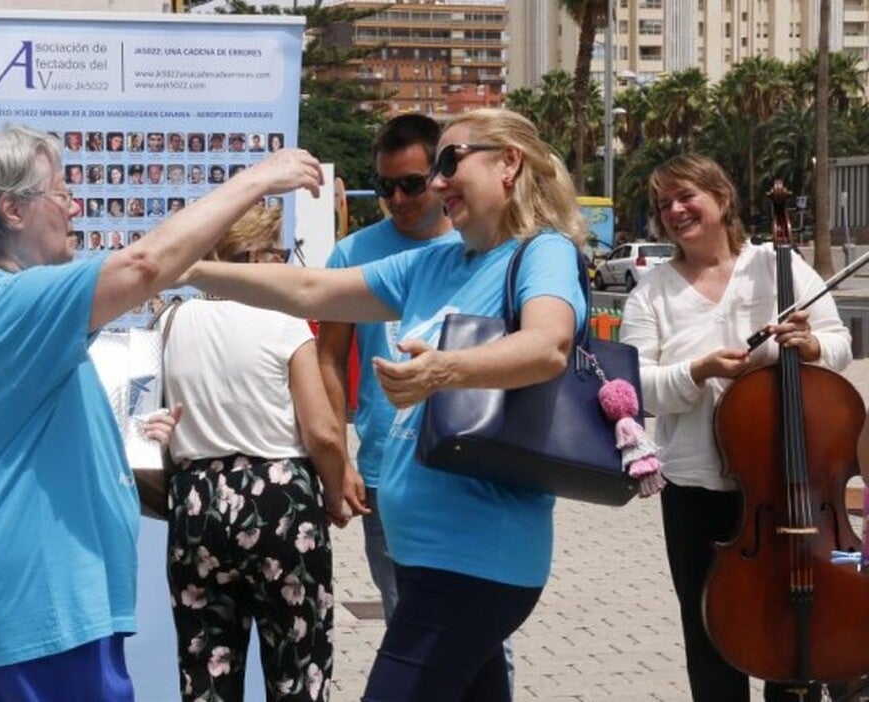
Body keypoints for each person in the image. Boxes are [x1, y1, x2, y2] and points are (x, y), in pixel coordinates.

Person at [184, 108, 589, 701]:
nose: (438, 182)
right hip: (425, 557)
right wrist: (184, 267)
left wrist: (443, 370)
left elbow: (548, 344)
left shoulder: (541, 251)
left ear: (509, 164)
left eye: (451, 162)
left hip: (475, 560)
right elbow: (309, 289)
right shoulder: (438, 260)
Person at [0, 125, 321, 700]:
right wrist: (257, 179)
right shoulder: (8, 303)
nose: (75, 206)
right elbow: (144, 266)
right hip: (35, 601)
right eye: (60, 192)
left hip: (13, 598)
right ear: (11, 209)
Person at [618, 153, 852, 702]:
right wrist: (695, 372)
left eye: (686, 197)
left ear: (722, 199)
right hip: (695, 487)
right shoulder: (650, 293)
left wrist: (811, 344)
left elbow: (839, 344)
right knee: (707, 629)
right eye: (663, 204)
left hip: (788, 485)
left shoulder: (779, 265)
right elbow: (636, 389)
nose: (674, 211)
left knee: (792, 622)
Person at [155, 204, 352, 702]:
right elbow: (322, 432)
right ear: (258, 255)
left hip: (198, 505)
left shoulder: (171, 322)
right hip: (280, 505)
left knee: (205, 671)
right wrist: (336, 491)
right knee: (298, 668)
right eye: (280, 253)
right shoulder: (282, 324)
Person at [316, 113, 456, 626]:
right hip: (384, 470)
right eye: (385, 186)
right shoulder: (354, 254)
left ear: (441, 175)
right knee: (407, 623)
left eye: (411, 185)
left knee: (480, 631)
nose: (397, 199)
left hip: (466, 465)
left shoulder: (477, 246)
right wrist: (339, 463)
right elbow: (328, 357)